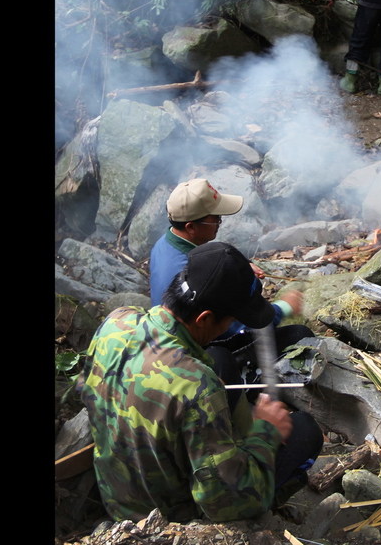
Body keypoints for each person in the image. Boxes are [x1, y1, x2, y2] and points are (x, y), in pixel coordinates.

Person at [79, 241, 324, 523]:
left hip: (115, 494)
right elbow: (225, 503)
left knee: (218, 356)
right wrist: (265, 434)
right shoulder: (197, 386)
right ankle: (266, 514)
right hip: (165, 517)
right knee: (305, 431)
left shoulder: (116, 321)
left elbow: (84, 390)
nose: (229, 325)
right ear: (205, 317)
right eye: (230, 319)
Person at [149, 178, 311, 408]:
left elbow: (207, 262)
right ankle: (252, 396)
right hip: (201, 349)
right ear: (191, 227)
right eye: (215, 218)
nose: (219, 222)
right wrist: (283, 308)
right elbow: (239, 324)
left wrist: (238, 268)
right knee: (300, 336)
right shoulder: (185, 277)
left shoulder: (166, 245)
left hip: (186, 337)